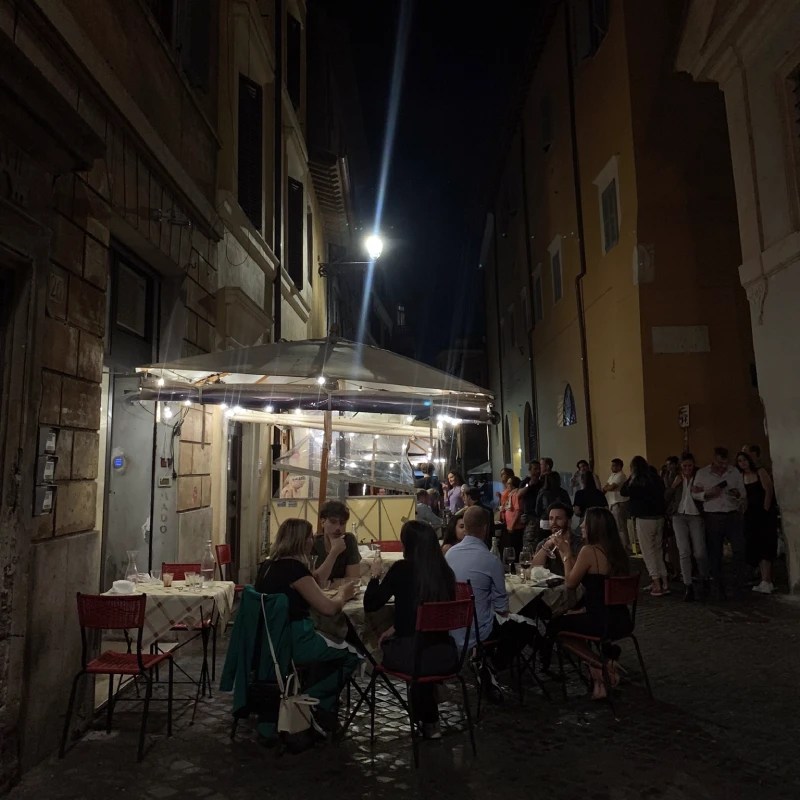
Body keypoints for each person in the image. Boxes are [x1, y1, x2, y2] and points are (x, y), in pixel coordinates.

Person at [254, 518, 361, 730]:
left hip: (269, 641)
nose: (313, 541)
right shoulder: (294, 569)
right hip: (295, 640)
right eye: (310, 537)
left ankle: (310, 694)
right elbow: (329, 609)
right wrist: (343, 594)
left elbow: (316, 580)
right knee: (352, 654)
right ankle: (313, 702)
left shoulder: (268, 565)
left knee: (331, 643)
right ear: (301, 541)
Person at [364, 520, 458, 740]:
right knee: (416, 644)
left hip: (414, 657)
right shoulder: (445, 573)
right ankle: (430, 719)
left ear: (407, 545)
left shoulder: (402, 569)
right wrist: (397, 626)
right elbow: (427, 614)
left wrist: (375, 575)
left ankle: (427, 718)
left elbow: (371, 604)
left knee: (384, 645)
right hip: (446, 655)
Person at [445, 506, 535, 702]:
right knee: (527, 627)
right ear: (485, 529)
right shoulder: (490, 559)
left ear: (465, 527)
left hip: (453, 627)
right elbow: (502, 607)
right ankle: (493, 662)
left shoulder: (450, 554)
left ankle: (482, 658)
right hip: (479, 630)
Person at [544, 507, 632, 699]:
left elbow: (570, 583)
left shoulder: (589, 550)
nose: (581, 525)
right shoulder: (617, 550)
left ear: (595, 527)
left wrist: (565, 552)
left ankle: (601, 665)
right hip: (622, 619)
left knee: (555, 627)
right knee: (572, 617)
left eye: (585, 522)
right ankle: (599, 677)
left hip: (600, 621)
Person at [692, 447, 747, 600]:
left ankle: (738, 585)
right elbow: (695, 494)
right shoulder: (703, 473)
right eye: (720, 462)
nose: (723, 466)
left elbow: (742, 492)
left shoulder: (734, 472)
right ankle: (718, 586)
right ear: (714, 459)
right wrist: (708, 494)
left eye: (725, 462)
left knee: (739, 549)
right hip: (713, 515)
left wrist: (736, 494)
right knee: (715, 552)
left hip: (732, 514)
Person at [621, 456, 668, 596]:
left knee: (648, 552)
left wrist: (631, 477)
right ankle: (664, 581)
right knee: (658, 551)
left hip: (644, 518)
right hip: (659, 518)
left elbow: (624, 491)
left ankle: (656, 583)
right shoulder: (656, 478)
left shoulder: (637, 481)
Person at [665, 452, 708, 601]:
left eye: (690, 465)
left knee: (699, 551)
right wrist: (674, 485)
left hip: (695, 515)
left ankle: (704, 578)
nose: (687, 468)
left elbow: (706, 493)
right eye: (684, 466)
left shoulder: (700, 476)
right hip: (679, 516)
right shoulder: (673, 476)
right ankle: (688, 584)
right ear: (680, 466)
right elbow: (666, 497)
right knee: (684, 551)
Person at [736, 450, 777, 594]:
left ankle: (767, 580)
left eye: (744, 460)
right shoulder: (741, 476)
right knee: (756, 546)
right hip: (750, 515)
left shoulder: (760, 472)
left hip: (763, 514)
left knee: (766, 545)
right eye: (740, 461)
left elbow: (769, 490)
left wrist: (765, 510)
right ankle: (764, 579)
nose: (743, 463)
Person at [312, 500, 361, 586]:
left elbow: (353, 580)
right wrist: (334, 552)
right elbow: (314, 582)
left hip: (343, 595)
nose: (338, 527)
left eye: (342, 523)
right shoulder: (313, 543)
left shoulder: (349, 540)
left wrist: (328, 583)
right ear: (323, 522)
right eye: (333, 522)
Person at [603, 458, 633, 553]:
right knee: (616, 526)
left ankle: (626, 546)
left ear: (619, 466)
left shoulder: (621, 475)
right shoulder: (612, 475)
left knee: (621, 526)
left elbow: (611, 487)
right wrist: (607, 487)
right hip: (612, 503)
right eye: (612, 465)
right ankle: (621, 545)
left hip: (619, 503)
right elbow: (605, 486)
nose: (612, 467)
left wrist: (607, 487)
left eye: (614, 465)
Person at [534, 472, 571, 543]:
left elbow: (537, 510)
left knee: (544, 543)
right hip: (560, 520)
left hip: (544, 521)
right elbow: (569, 507)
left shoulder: (542, 492)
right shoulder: (563, 492)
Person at [518, 461, 544, 549]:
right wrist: (529, 485)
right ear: (530, 470)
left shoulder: (542, 483)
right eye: (535, 469)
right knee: (530, 544)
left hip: (541, 517)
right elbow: (519, 494)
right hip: (530, 517)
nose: (537, 471)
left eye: (539, 469)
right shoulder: (525, 482)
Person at [500, 475, 525, 559]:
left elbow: (518, 511)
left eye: (509, 483)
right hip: (510, 527)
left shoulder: (515, 494)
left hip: (515, 528)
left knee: (515, 549)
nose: (507, 485)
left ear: (513, 485)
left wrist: (512, 525)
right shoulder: (510, 495)